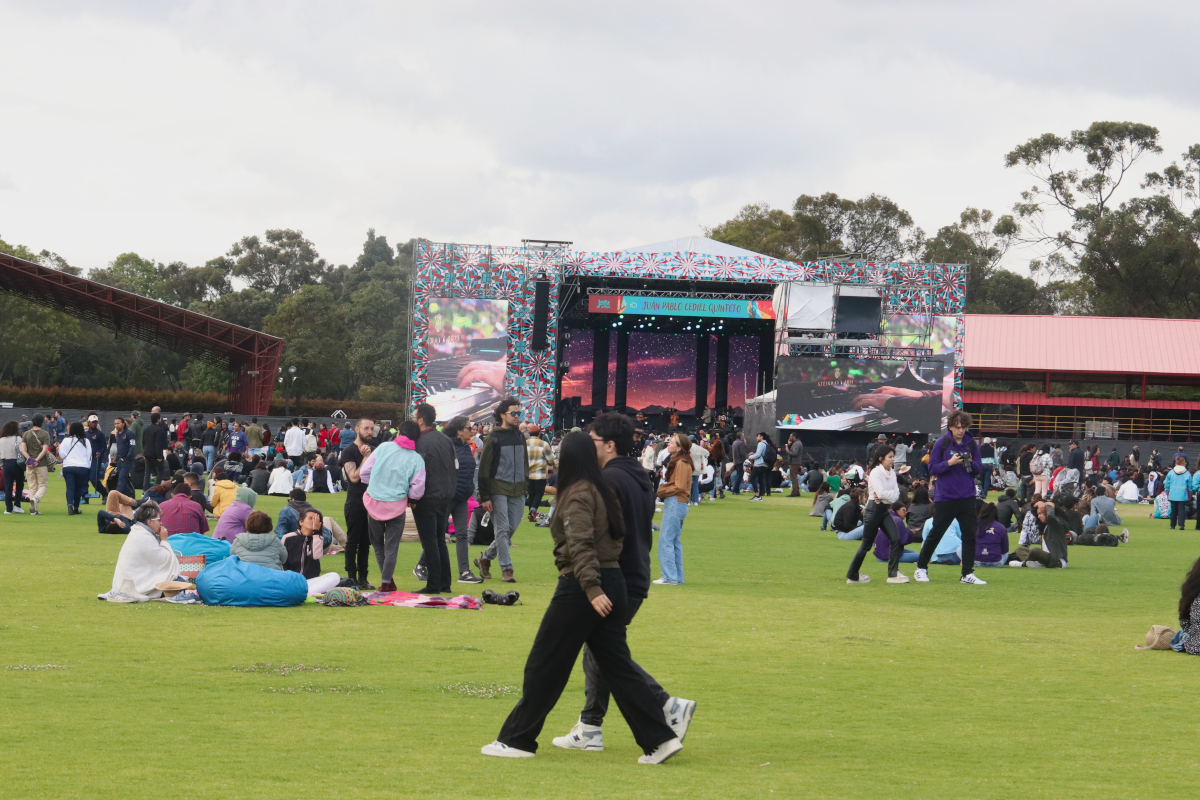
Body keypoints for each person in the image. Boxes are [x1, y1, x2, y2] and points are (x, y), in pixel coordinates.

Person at [481, 431, 682, 764]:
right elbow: (613, 539)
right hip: (610, 579)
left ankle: (517, 738)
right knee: (617, 667)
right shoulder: (601, 488)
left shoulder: (579, 493)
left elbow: (581, 544)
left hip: (582, 586)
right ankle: (660, 739)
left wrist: (591, 588)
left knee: (545, 663)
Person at [553, 412, 694, 752]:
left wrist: (592, 581)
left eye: (594, 440)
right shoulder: (636, 475)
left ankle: (662, 704)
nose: (589, 445)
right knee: (601, 649)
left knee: (607, 652)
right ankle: (590, 726)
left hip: (615, 576)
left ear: (610, 445)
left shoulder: (609, 481)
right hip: (633, 572)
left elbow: (596, 536)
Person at [914, 410, 988, 585]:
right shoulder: (942, 443)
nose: (961, 431)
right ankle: (921, 568)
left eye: (963, 427)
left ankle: (967, 573)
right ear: (951, 427)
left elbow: (979, 469)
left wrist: (969, 461)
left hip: (967, 496)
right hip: (946, 496)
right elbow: (932, 469)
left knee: (970, 536)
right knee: (936, 533)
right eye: (957, 427)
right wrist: (950, 463)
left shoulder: (972, 445)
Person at [360, 420, 426, 593]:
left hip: (374, 502)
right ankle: (386, 581)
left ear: (399, 433)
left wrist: (375, 484)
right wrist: (410, 496)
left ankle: (387, 581)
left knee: (377, 545)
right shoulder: (416, 459)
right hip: (396, 506)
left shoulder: (383, 448)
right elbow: (417, 490)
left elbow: (364, 472)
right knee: (391, 547)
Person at [475, 397, 530, 584]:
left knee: (510, 529)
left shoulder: (519, 436)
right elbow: (484, 469)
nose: (517, 417)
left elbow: (524, 463)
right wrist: (485, 496)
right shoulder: (493, 438)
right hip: (498, 489)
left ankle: (485, 558)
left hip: (518, 490)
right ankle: (507, 568)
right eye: (513, 413)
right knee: (502, 529)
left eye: (519, 413)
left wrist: (526, 484)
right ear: (502, 415)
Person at [846, 444, 909, 584]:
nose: (893, 459)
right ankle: (852, 575)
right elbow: (879, 494)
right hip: (873, 510)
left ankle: (893, 574)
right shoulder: (875, 472)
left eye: (893, 456)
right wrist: (889, 495)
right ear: (881, 459)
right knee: (866, 545)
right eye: (890, 457)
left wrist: (888, 496)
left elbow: (895, 494)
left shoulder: (892, 473)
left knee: (895, 539)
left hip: (885, 510)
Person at [411, 403, 457, 593]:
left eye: (414, 417)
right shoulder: (445, 439)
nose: (413, 420)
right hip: (445, 496)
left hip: (428, 496)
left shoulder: (419, 441)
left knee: (430, 542)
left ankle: (434, 584)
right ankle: (444, 582)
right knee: (439, 540)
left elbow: (416, 471)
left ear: (421, 420)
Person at [100, 502, 182, 602]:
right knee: (179, 581)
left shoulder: (138, 532)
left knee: (179, 581)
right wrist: (164, 540)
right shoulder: (143, 537)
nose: (161, 523)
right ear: (149, 522)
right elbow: (164, 560)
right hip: (136, 585)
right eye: (158, 520)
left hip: (130, 581)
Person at [340, 418, 376, 590]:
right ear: (357, 429)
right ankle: (351, 578)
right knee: (353, 541)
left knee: (366, 541)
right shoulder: (349, 451)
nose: (369, 432)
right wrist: (365, 458)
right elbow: (353, 477)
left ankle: (363, 577)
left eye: (372, 429)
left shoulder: (375, 451)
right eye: (366, 428)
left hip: (371, 501)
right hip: (355, 501)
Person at [655, 432, 693, 585]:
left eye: (672, 442)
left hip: (676, 502)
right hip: (677, 502)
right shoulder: (680, 462)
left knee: (666, 540)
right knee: (673, 541)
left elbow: (680, 486)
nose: (668, 444)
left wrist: (662, 491)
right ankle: (676, 577)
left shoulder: (681, 463)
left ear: (679, 447)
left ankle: (669, 577)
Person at [280, 507, 341, 595]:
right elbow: (281, 561)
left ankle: (306, 594)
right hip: (290, 581)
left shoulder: (318, 539)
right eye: (310, 518)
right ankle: (304, 593)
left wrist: (316, 533)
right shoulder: (288, 538)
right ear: (301, 522)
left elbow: (316, 556)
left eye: (316, 520)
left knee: (334, 576)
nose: (313, 521)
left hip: (309, 582)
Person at [1010, 500, 1070, 568]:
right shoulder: (1045, 525)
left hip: (1057, 560)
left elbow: (1051, 516)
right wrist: (1037, 504)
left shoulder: (1056, 524)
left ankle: (1024, 564)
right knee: (1021, 549)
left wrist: (1050, 506)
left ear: (1047, 513)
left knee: (1035, 551)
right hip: (1047, 557)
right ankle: (1038, 563)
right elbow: (1034, 512)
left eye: (1040, 513)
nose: (1038, 516)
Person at [19, 413, 52, 515]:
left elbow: (22, 449)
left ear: (32, 421)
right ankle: (35, 499)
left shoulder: (26, 434)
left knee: (32, 486)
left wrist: (30, 459)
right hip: (41, 464)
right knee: (43, 485)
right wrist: (36, 460)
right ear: (42, 422)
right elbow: (45, 450)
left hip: (29, 464)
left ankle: (33, 509)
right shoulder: (45, 434)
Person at [59, 421, 92, 516]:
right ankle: (76, 507)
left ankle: (70, 506)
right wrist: (88, 467)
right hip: (82, 467)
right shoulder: (86, 441)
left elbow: (62, 454)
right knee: (78, 488)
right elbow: (89, 455)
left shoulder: (66, 440)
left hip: (68, 466)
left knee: (70, 487)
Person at [525, 425, 554, 522]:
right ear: (539, 433)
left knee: (531, 493)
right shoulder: (543, 444)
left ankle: (531, 513)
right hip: (540, 473)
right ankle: (533, 512)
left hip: (528, 473)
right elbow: (551, 459)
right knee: (539, 493)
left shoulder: (524, 443)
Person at [974, 502, 1011, 567]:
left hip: (975, 561)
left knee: (960, 548)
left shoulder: (974, 525)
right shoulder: (1001, 527)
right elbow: (1005, 550)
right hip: (995, 563)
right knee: (1006, 554)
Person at [1, 421, 25, 515]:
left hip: (6, 463)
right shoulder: (18, 438)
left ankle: (8, 508)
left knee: (8, 486)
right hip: (17, 463)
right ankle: (17, 505)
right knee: (19, 484)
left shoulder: (1, 439)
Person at [141, 412, 169, 490]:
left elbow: (143, 441)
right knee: (160, 471)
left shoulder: (146, 429)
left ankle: (145, 489)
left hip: (147, 453)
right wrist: (159, 456)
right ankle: (156, 488)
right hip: (155, 454)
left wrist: (145, 451)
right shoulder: (159, 430)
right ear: (158, 420)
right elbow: (158, 444)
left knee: (147, 472)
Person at [110, 417, 136, 497]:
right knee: (124, 479)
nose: (116, 425)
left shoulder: (129, 433)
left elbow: (133, 445)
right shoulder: (117, 434)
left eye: (118, 423)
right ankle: (129, 496)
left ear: (123, 423)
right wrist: (116, 457)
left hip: (127, 460)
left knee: (121, 478)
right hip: (119, 460)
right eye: (115, 424)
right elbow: (119, 446)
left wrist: (128, 456)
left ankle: (116, 497)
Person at [1165, 456, 1191, 530]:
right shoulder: (1187, 473)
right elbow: (1189, 485)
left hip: (1173, 494)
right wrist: (1190, 492)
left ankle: (1172, 525)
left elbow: (1167, 483)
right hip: (1182, 494)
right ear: (1183, 463)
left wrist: (1167, 490)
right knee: (1181, 511)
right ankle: (1181, 525)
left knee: (1173, 510)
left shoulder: (1171, 472)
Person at [750, 432, 774, 501]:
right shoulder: (766, 444)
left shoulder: (760, 444)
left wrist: (750, 457)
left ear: (761, 437)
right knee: (762, 480)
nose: (756, 438)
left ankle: (756, 495)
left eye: (757, 436)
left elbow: (758, 454)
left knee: (752, 478)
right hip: (765, 464)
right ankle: (760, 495)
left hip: (758, 464)